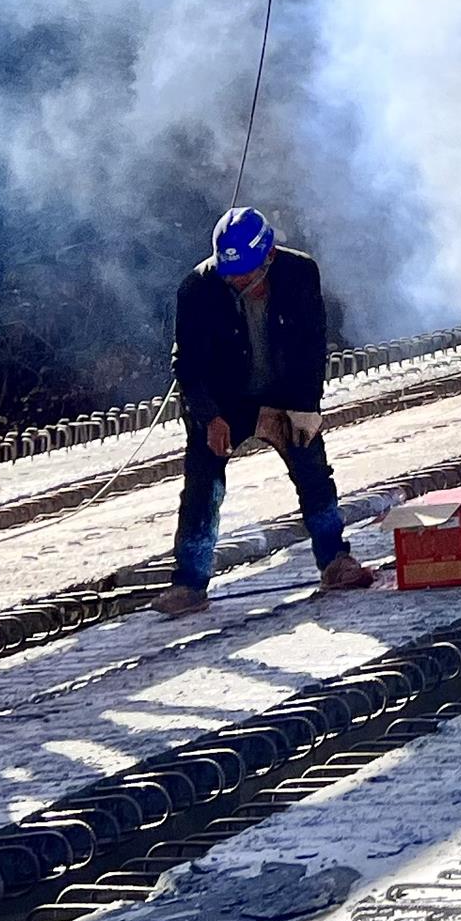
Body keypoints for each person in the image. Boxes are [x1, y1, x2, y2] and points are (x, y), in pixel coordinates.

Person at [159, 207, 375, 616]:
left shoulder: (300, 274)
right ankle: (189, 584)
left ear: (269, 256)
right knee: (203, 488)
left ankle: (335, 560)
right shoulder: (197, 288)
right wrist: (210, 417)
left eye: (246, 275)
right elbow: (187, 365)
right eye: (231, 276)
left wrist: (306, 408)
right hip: (224, 401)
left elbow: (311, 346)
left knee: (313, 473)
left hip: (284, 394)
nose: (238, 283)